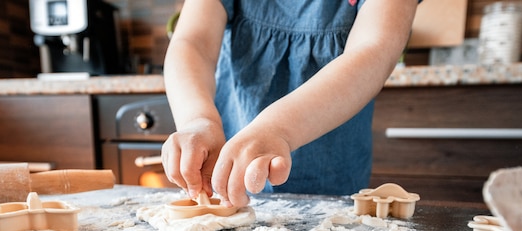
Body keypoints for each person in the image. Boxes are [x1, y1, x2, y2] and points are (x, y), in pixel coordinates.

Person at [162, 0, 420, 207]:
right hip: (228, 181)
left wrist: (278, 129)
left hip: (333, 191)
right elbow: (192, 43)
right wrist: (198, 120)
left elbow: (375, 49)